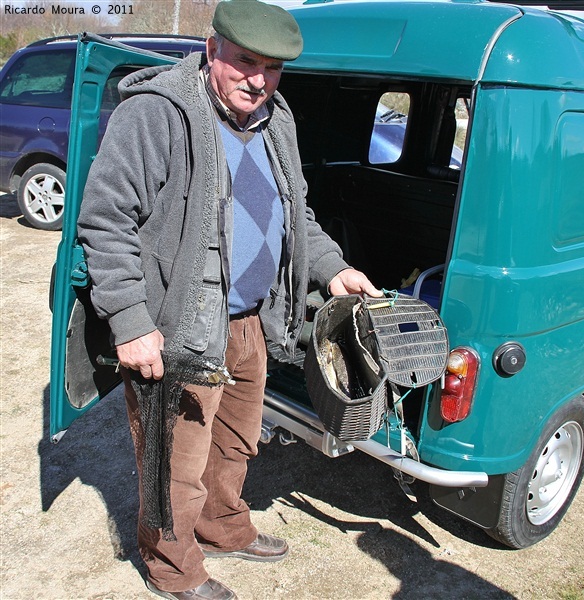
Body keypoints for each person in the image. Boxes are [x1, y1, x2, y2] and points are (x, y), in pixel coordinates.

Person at [77, 1, 381, 599]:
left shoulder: (277, 121)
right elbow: (105, 221)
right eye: (245, 61)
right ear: (213, 49)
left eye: (272, 68)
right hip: (178, 329)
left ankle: (221, 527)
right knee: (176, 464)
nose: (258, 79)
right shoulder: (158, 114)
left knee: (236, 443)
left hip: (250, 322)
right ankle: (174, 569)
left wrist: (334, 269)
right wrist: (130, 322)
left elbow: (297, 216)